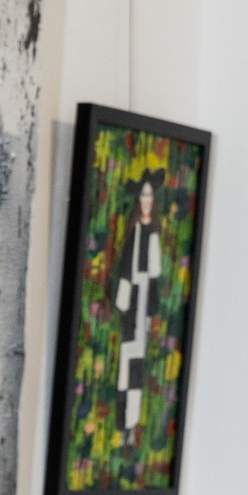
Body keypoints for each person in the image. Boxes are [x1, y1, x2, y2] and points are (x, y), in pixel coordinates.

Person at [112, 168, 163, 443]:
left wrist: (149, 312)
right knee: (125, 363)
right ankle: (122, 423)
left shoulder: (153, 235)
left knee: (135, 366)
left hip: (142, 303)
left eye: (149, 195)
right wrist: (124, 300)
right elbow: (124, 268)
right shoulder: (133, 232)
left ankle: (131, 424)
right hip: (130, 301)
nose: (146, 200)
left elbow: (153, 276)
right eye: (143, 194)